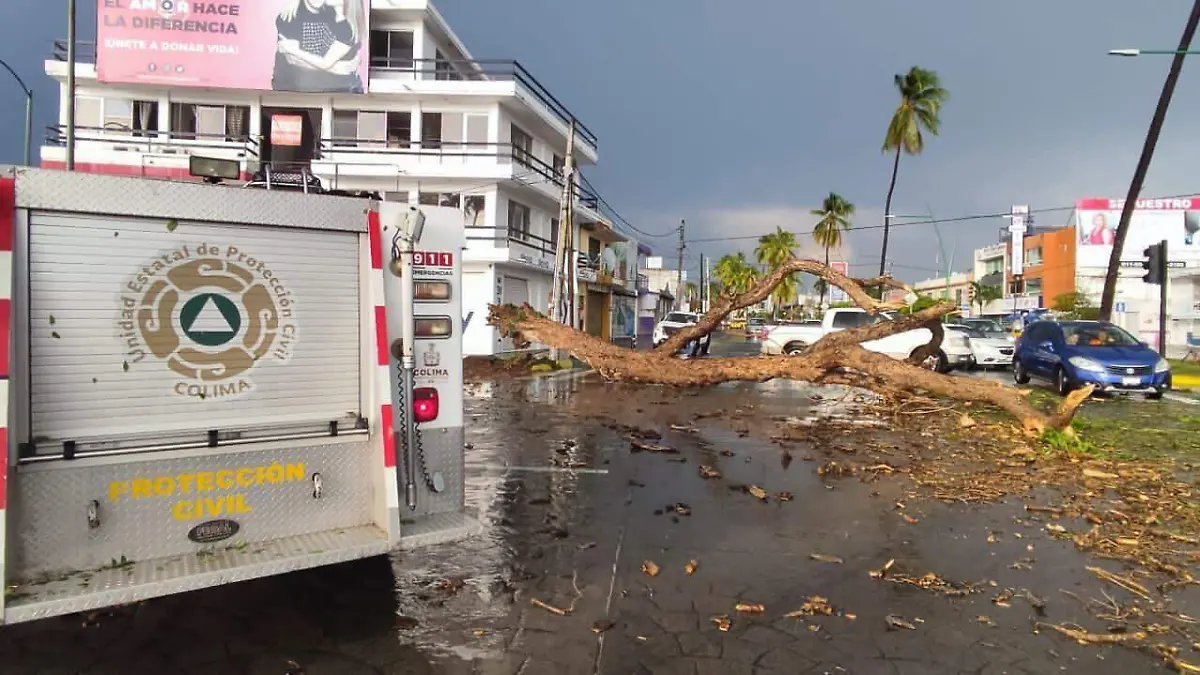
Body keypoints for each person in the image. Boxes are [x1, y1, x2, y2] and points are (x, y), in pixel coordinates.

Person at [273, 0, 365, 93]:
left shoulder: (347, 28)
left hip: (345, 90)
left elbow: (326, 62)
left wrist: (294, 50)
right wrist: (337, 68)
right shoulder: (291, 14)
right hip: (300, 91)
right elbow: (292, 59)